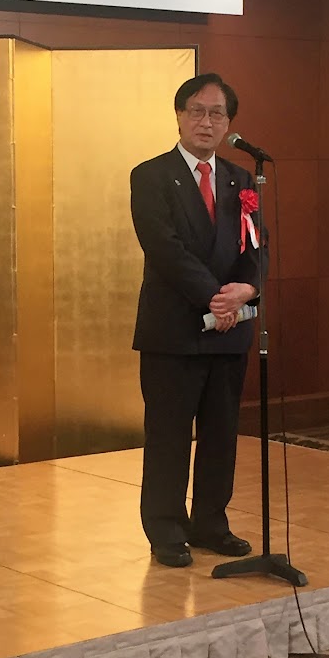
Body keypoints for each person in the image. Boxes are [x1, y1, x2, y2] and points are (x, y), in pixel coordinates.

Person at [130, 72, 265, 568]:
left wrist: (248, 289)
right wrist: (215, 299)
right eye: (197, 111)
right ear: (179, 115)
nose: (206, 122)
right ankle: (165, 527)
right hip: (174, 331)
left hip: (229, 331)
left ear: (228, 124)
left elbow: (256, 246)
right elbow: (164, 248)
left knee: (221, 434)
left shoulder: (242, 180)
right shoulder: (150, 175)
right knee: (168, 435)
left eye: (217, 114)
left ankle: (210, 522)